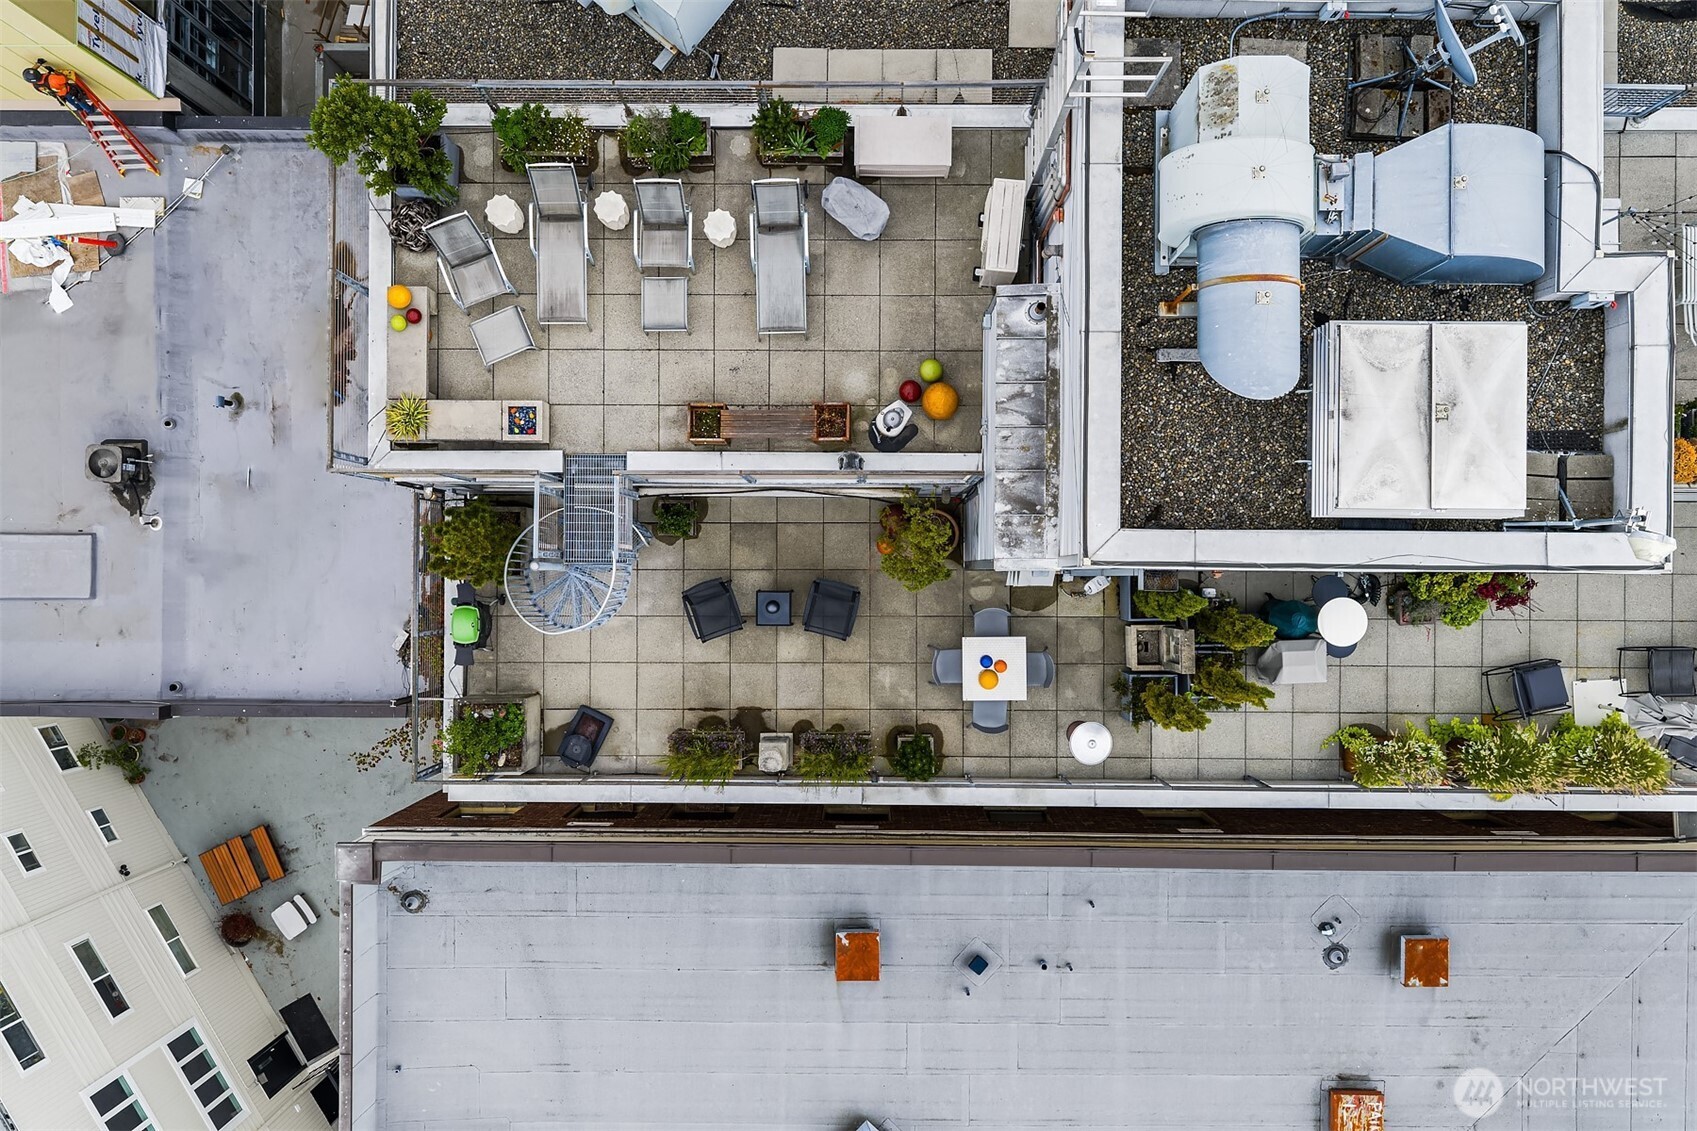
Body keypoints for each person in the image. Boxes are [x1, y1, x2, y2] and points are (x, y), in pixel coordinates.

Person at [22, 59, 96, 116]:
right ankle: (90, 110)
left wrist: (37, 64)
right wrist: (54, 71)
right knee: (80, 101)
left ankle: (80, 109)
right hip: (69, 92)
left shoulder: (36, 85)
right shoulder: (52, 79)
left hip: (60, 95)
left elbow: (33, 75)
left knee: (75, 104)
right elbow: (64, 78)